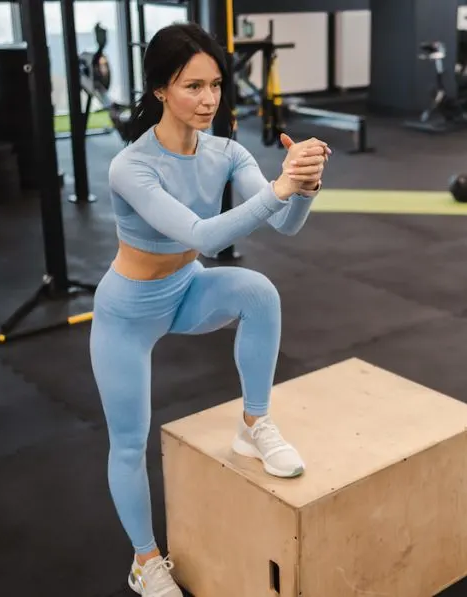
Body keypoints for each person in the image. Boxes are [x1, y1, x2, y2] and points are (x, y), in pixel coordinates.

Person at [89, 22, 330, 597]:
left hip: (187, 288)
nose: (209, 100)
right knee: (128, 441)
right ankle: (146, 561)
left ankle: (253, 423)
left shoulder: (226, 150)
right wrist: (279, 188)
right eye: (192, 86)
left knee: (259, 292)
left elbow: (283, 225)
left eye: (215, 85)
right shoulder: (132, 165)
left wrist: (302, 187)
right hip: (127, 311)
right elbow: (200, 230)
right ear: (159, 92)